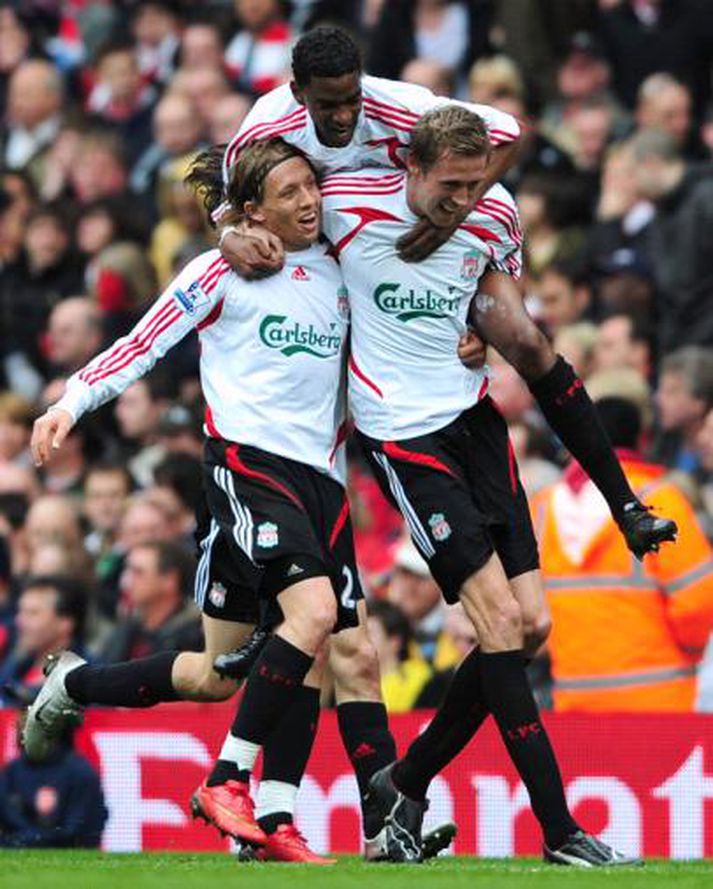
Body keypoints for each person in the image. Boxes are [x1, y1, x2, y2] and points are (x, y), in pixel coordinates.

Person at [22, 138, 446, 864]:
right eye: (288, 193)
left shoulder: (341, 263)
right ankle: (228, 780)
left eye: (311, 186)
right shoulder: (222, 269)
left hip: (321, 482)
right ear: (251, 209)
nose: (309, 201)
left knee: (278, 665)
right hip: (247, 471)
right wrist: (71, 401)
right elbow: (142, 342)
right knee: (308, 624)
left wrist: (459, 339)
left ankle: (86, 686)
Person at [318, 104, 671, 865]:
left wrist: (624, 504)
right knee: (500, 627)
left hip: (474, 422)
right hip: (401, 434)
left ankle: (401, 789)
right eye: (450, 184)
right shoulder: (347, 204)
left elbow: (518, 332)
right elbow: (271, 203)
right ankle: (560, 831)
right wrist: (233, 223)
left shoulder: (493, 214)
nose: (464, 200)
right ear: (409, 168)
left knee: (532, 627)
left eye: (477, 183)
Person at [218, 25, 522, 276]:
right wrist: (229, 240)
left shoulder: (402, 107)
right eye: (328, 105)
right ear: (298, 93)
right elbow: (231, 199)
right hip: (326, 245)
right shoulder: (266, 125)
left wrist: (456, 216)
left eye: (353, 99)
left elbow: (508, 133)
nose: (344, 116)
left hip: (418, 228)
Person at [532, 396, 713, 712]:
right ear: (641, 439)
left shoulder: (542, 508)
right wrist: (692, 652)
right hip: (661, 708)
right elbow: (698, 604)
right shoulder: (662, 501)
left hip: (576, 707)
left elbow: (529, 613)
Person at [0, 712, 107, 848]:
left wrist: (29, 839)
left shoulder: (81, 773)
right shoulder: (13, 771)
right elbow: (7, 815)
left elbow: (79, 828)